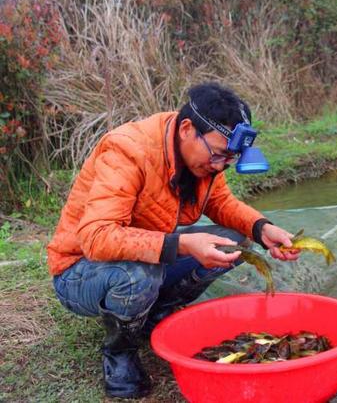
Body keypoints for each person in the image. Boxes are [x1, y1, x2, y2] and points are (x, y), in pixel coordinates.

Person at [46, 82, 300, 399]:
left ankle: (154, 315)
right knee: (139, 274)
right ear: (186, 129)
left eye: (229, 159)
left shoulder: (204, 157)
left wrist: (262, 229)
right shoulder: (127, 151)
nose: (220, 166)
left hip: (142, 254)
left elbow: (222, 204)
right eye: (218, 155)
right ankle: (119, 351)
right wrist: (180, 245)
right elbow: (97, 237)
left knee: (233, 241)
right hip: (79, 270)